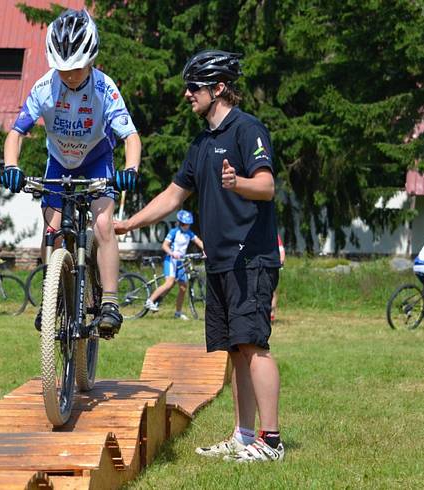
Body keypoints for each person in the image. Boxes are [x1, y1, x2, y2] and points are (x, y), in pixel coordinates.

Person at [114, 50, 284, 462]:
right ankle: (244, 436)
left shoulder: (248, 129)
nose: (188, 94)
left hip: (251, 259)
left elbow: (266, 186)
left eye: (195, 87)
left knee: (255, 346)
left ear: (219, 88)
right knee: (236, 349)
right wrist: (129, 224)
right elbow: (174, 195)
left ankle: (272, 441)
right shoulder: (202, 143)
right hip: (221, 262)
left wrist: (238, 181)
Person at [0, 8, 141, 337]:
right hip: (59, 162)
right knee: (51, 230)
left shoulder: (105, 89)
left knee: (103, 224)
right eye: (62, 69)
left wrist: (130, 169)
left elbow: (131, 137)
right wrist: (11, 166)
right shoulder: (44, 88)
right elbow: (15, 133)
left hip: (97, 159)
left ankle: (109, 302)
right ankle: (52, 302)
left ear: (91, 59)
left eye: (76, 68)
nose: (69, 75)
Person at [143, 210, 204, 320]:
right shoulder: (174, 232)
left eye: (188, 224)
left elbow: (199, 242)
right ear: (180, 223)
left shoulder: (189, 233)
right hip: (171, 260)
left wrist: (205, 250)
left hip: (181, 261)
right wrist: (172, 253)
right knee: (169, 283)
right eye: (185, 224)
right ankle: (150, 301)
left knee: (183, 287)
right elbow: (165, 246)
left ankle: (178, 313)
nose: (187, 226)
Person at [270, 233, 285, 322]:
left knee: (273, 291)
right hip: (272, 264)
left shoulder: (274, 234)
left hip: (273, 266)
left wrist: (281, 262)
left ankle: (271, 314)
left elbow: (281, 249)